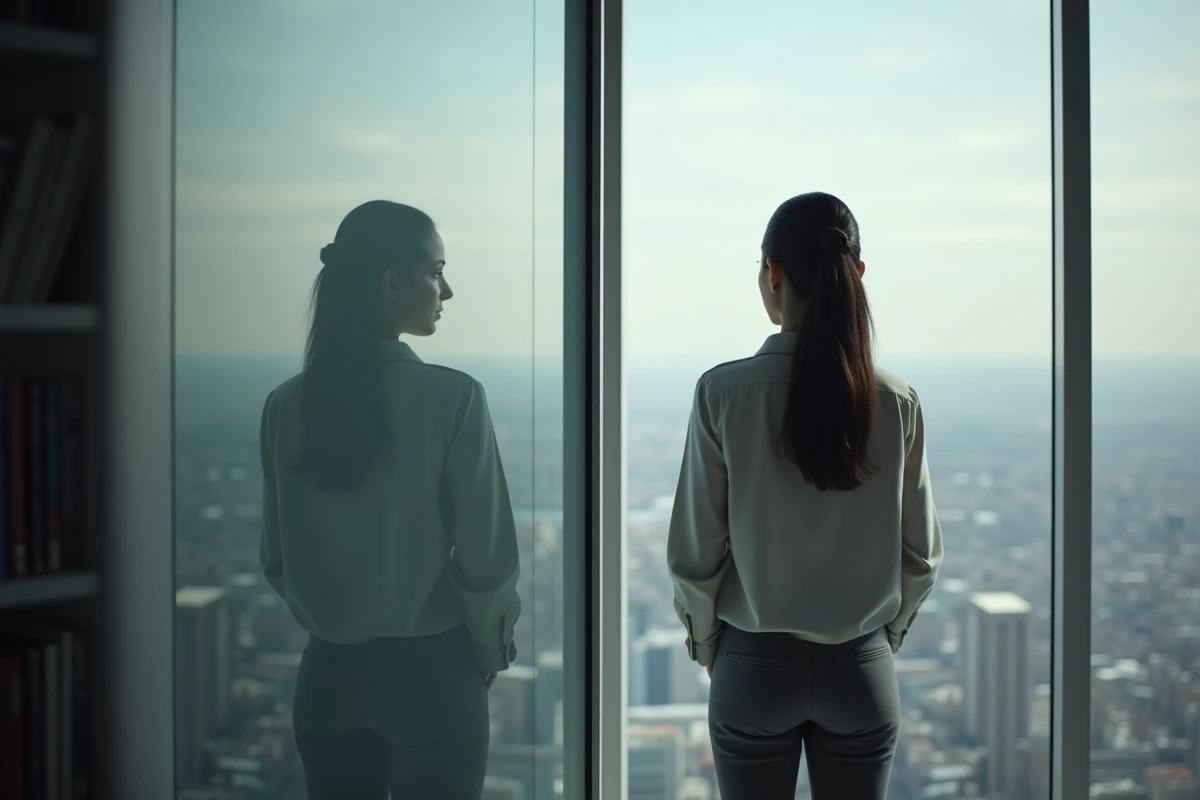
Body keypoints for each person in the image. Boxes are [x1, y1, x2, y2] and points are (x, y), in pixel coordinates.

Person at [667, 191, 943, 799]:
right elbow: (921, 556)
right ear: (857, 273)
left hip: (752, 668)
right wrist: (883, 641)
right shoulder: (897, 402)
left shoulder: (721, 394)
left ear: (773, 273)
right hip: (861, 670)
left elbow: (695, 554)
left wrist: (708, 643)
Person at [258, 200, 521, 799]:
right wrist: (488, 649)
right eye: (436, 272)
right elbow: (487, 558)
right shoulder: (454, 398)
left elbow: (277, 560)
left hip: (326, 677)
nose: (446, 290)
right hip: (432, 676)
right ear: (391, 284)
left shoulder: (285, 406)